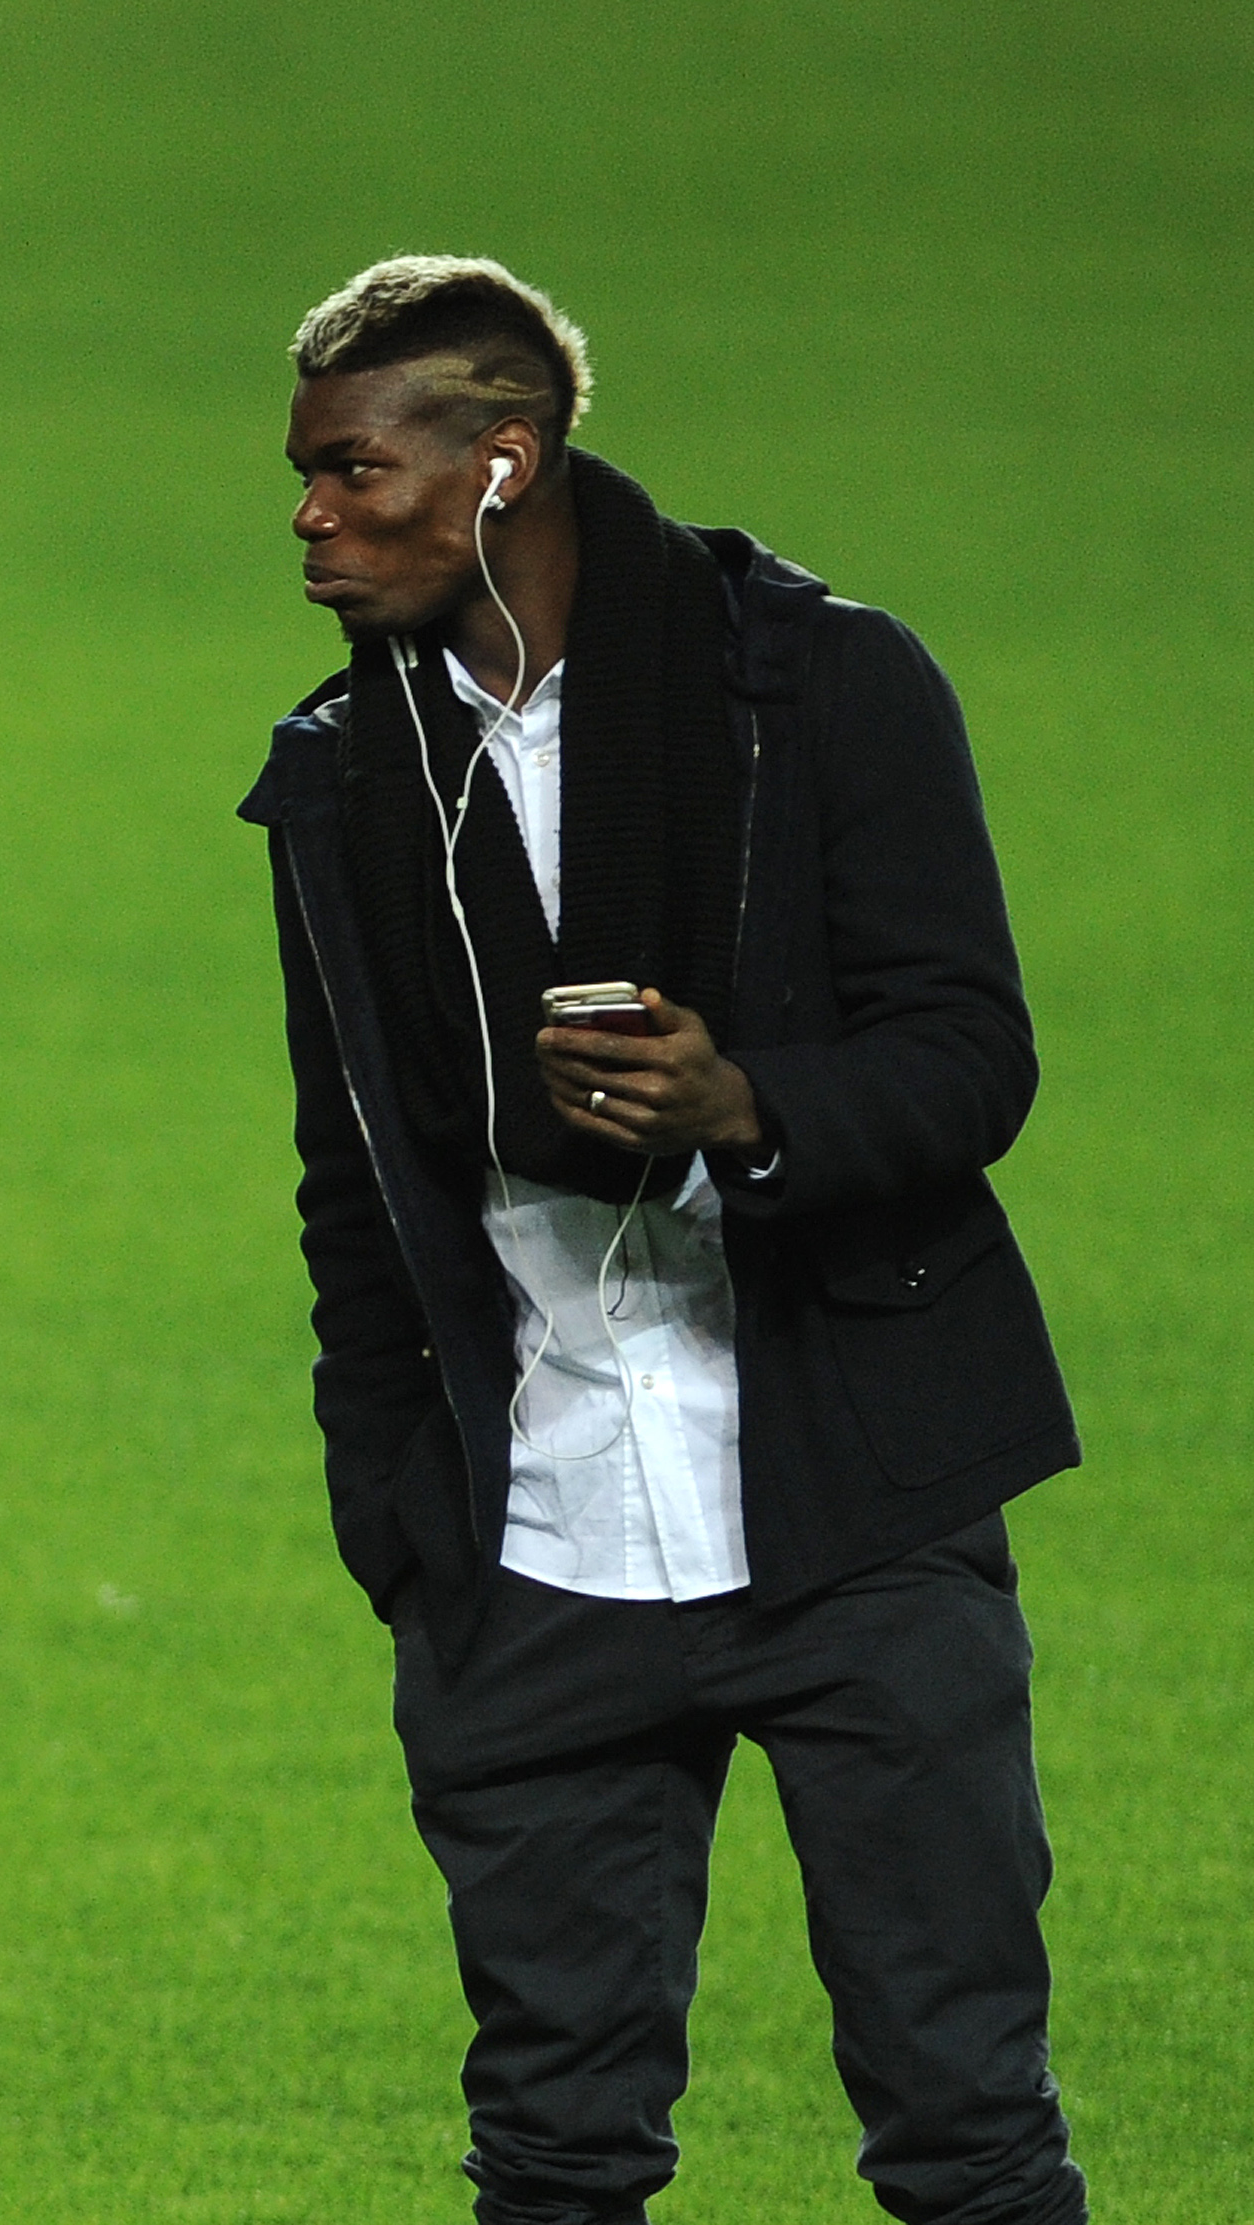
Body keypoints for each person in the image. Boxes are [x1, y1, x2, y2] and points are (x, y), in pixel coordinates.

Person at [240, 258, 1085, 2224]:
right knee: (553, 2154)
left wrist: (750, 1112)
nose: (309, 513)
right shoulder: (337, 777)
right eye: (302, 474)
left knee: (965, 2125)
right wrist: (404, 1523)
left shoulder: (816, 688)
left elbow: (971, 1056)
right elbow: (352, 1192)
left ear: (503, 468)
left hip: (854, 1512)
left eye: (355, 471)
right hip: (530, 1553)